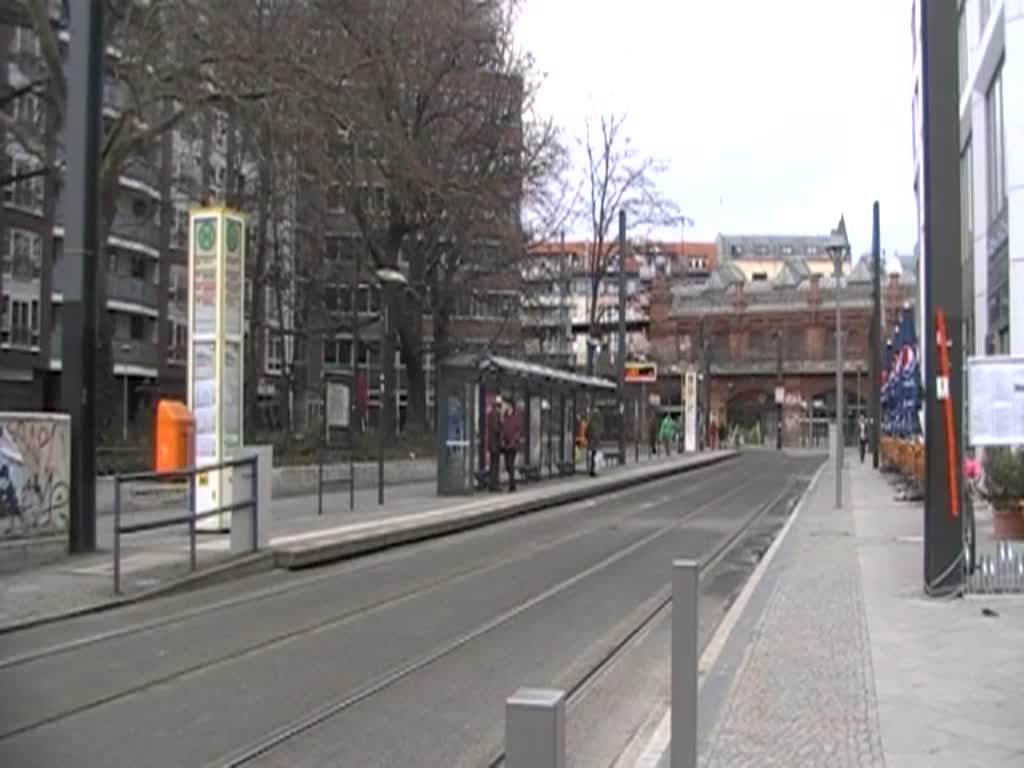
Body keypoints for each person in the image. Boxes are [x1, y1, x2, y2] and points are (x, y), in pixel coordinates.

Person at [501, 399, 523, 491]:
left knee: (510, 464)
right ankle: (512, 483)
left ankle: (512, 484)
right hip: (506, 443)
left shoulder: (516, 416)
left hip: (513, 444)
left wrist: (513, 441)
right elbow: (503, 429)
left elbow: (518, 430)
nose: (503, 406)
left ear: (510, 406)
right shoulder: (505, 416)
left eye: (505, 404)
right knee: (507, 465)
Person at [486, 395, 504, 491]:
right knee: (495, 465)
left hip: (492, 444)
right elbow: (497, 429)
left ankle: (492, 484)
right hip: (495, 445)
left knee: (493, 465)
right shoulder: (495, 414)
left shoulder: (490, 413)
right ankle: (494, 485)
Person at [586, 407, 603, 476]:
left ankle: (592, 470)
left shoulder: (592, 422)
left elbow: (588, 432)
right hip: (594, 442)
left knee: (593, 456)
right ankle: (592, 470)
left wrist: (589, 438)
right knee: (594, 456)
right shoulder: (596, 422)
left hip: (593, 441)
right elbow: (597, 433)